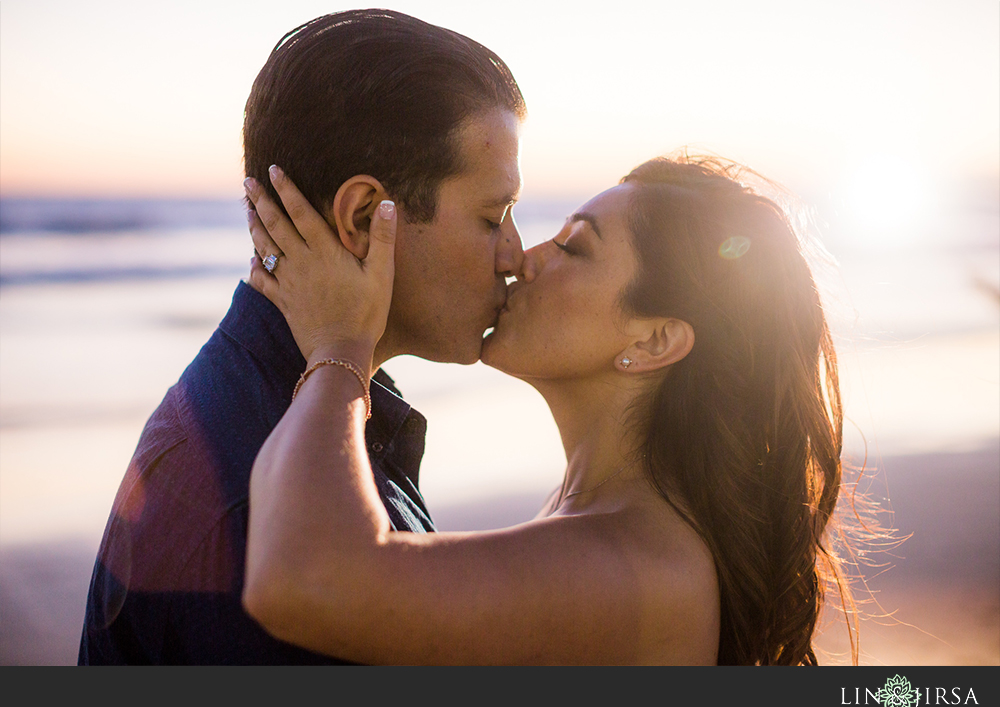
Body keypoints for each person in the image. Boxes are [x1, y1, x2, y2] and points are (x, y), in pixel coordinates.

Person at [240, 154, 851, 665]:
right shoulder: (597, 520)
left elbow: (306, 580)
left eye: (573, 247)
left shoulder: (642, 566)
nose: (521, 258)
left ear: (653, 340)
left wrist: (341, 345)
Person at [79, 9, 526, 664]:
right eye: (494, 216)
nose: (515, 254)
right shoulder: (264, 517)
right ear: (367, 217)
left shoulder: (309, 403)